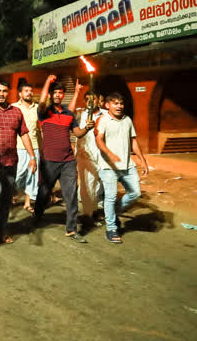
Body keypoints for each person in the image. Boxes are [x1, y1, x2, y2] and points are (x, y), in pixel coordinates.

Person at [33, 76, 94, 242]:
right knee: (44, 192)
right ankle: (37, 214)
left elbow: (78, 133)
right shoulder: (45, 112)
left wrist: (86, 128)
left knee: (71, 195)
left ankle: (71, 229)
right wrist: (47, 82)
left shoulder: (69, 114)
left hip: (68, 160)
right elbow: (42, 101)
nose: (58, 95)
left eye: (61, 93)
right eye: (55, 93)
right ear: (52, 95)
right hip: (49, 160)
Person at [0, 81, 37, 244]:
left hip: (11, 162)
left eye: (4, 91)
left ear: (8, 93)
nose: (2, 94)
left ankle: (0, 230)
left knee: (6, 197)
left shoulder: (16, 112)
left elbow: (24, 134)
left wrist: (32, 156)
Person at [95, 92, 148, 244]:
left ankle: (112, 213)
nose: (119, 106)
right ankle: (111, 229)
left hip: (127, 165)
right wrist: (109, 154)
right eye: (115, 103)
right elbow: (99, 140)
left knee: (135, 192)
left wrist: (142, 161)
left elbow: (134, 142)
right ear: (107, 105)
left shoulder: (127, 120)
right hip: (108, 166)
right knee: (110, 197)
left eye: (121, 103)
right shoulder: (103, 120)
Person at [76, 92, 106, 222]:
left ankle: (97, 208)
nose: (90, 102)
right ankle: (91, 212)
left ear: (99, 100)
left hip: (102, 154)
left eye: (93, 99)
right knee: (89, 183)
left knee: (101, 183)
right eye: (87, 99)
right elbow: (76, 132)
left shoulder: (106, 115)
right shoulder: (80, 115)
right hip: (86, 154)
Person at [12, 83, 41, 213]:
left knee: (32, 176)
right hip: (19, 147)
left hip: (35, 146)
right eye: (26, 91)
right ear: (20, 93)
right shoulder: (13, 107)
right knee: (19, 175)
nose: (29, 93)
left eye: (31, 90)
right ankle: (15, 193)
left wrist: (42, 147)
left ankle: (28, 203)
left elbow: (39, 130)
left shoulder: (37, 108)